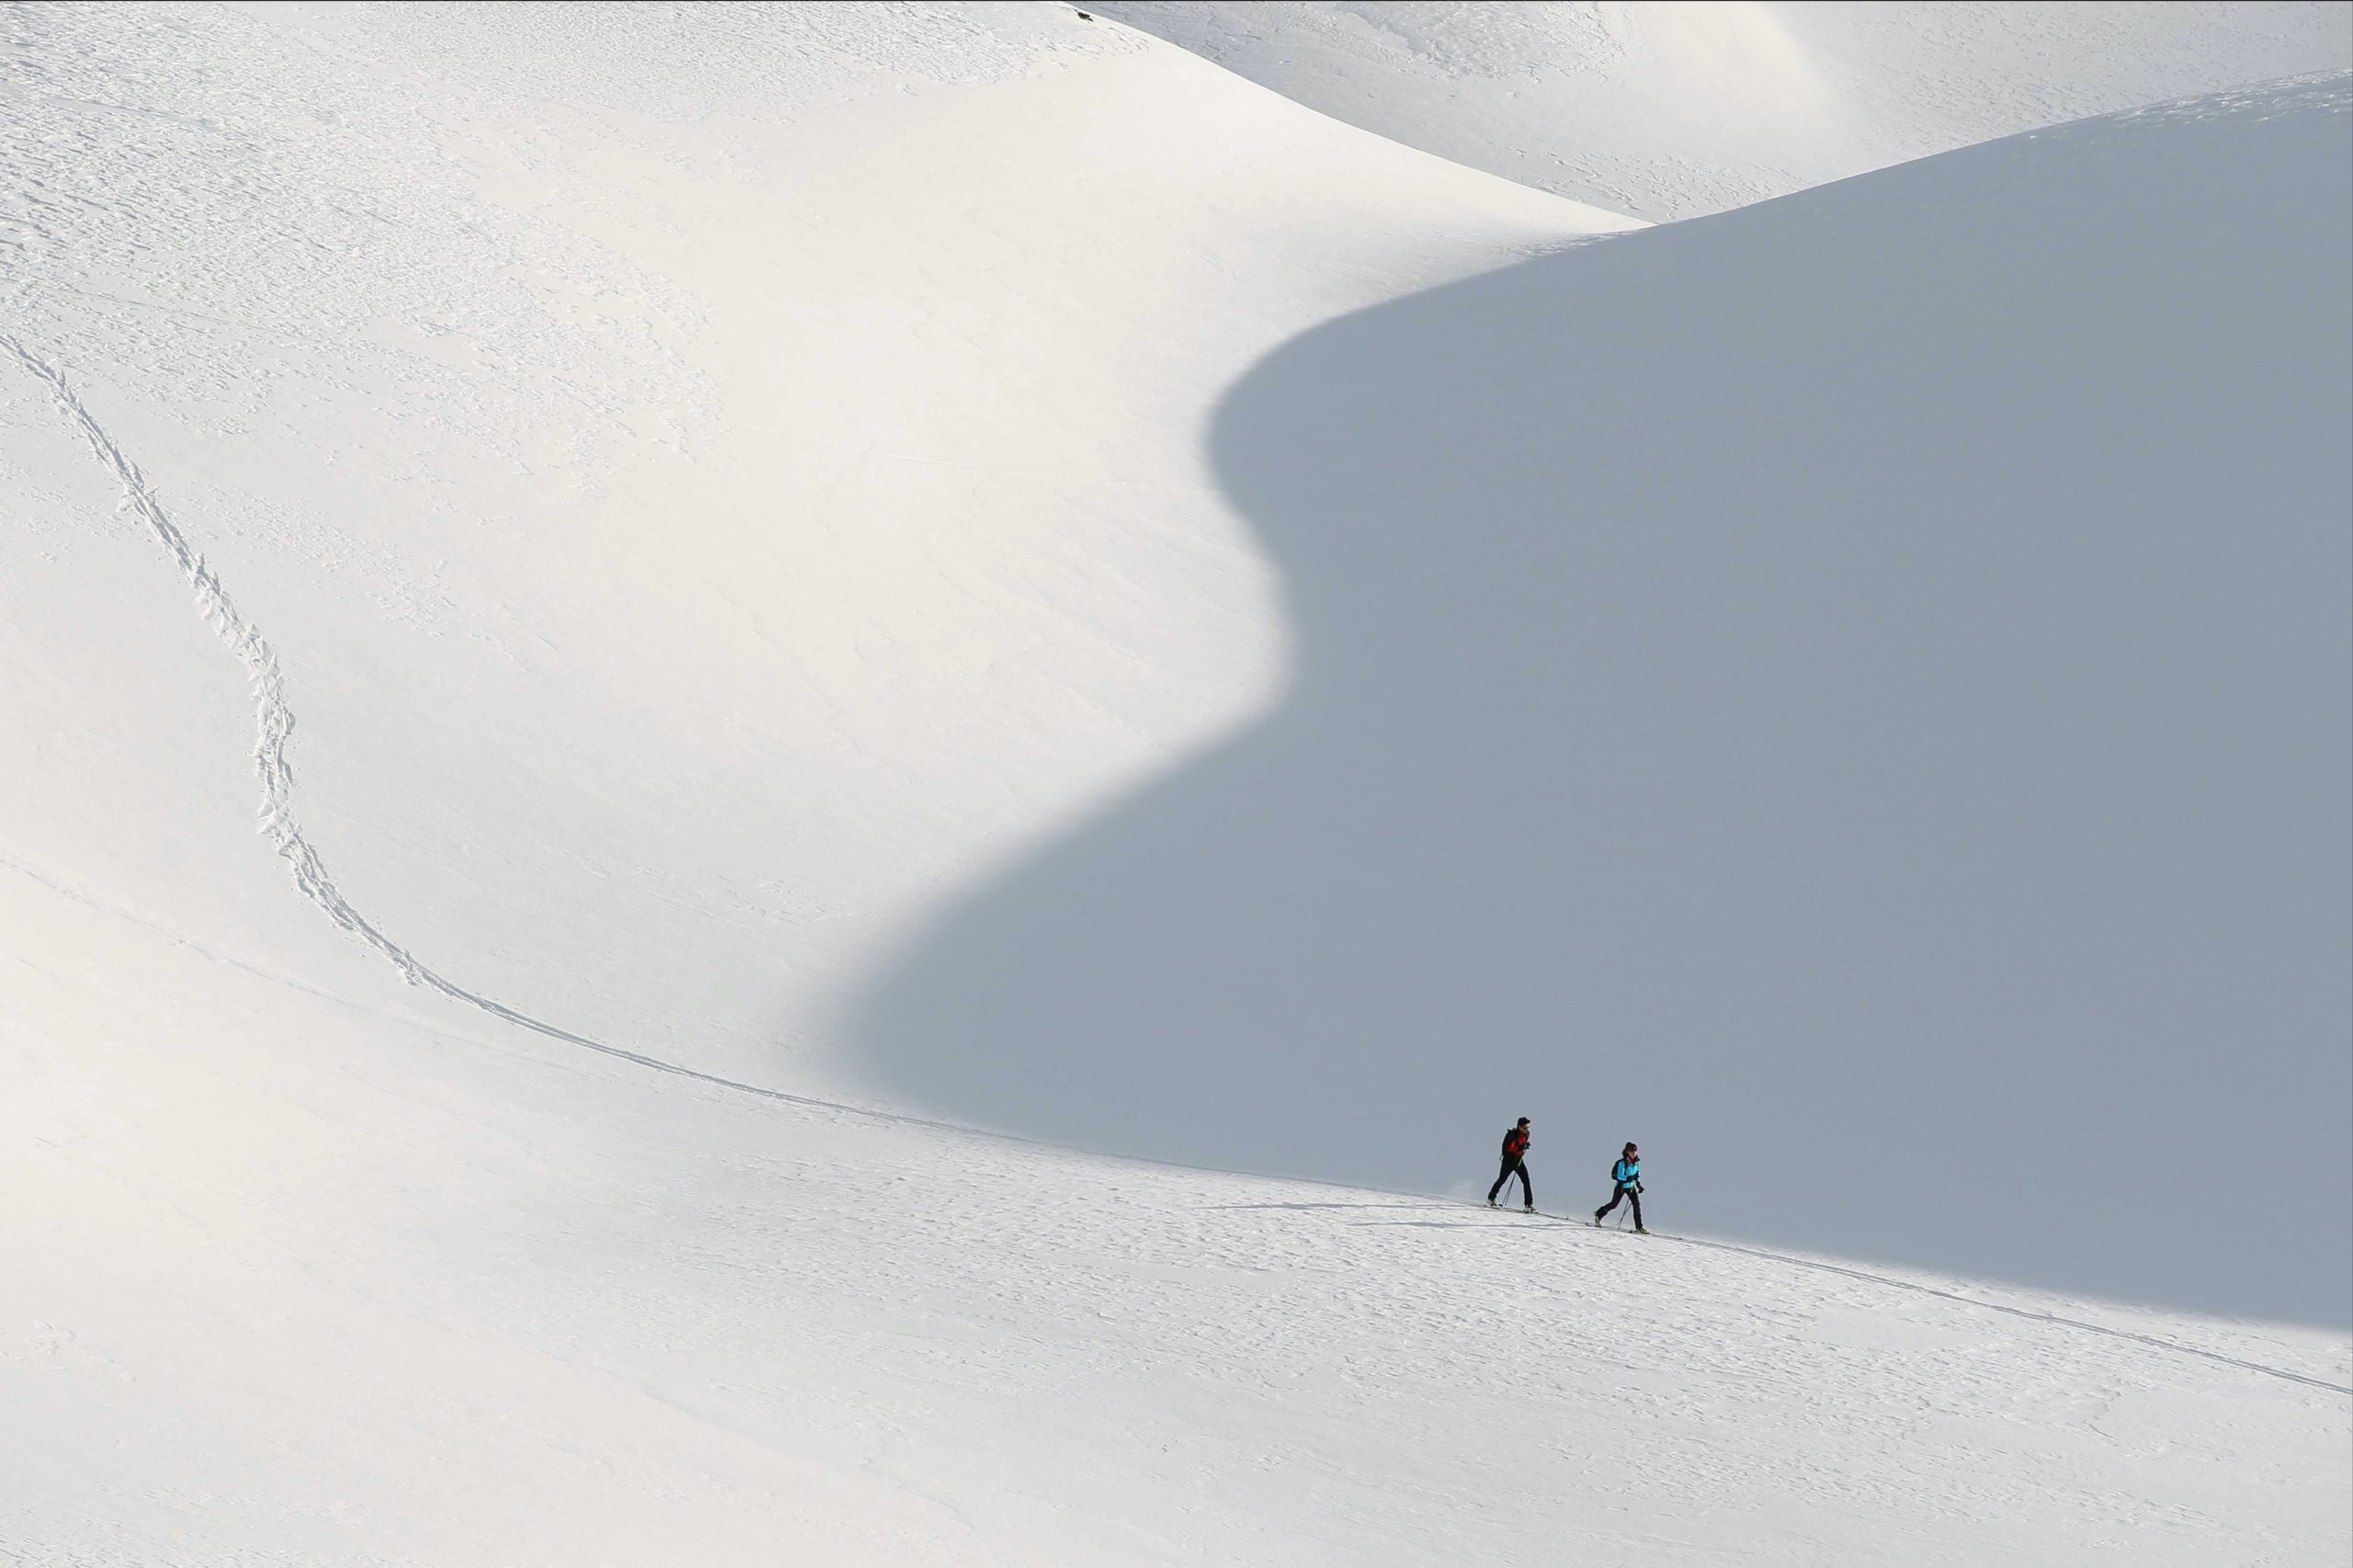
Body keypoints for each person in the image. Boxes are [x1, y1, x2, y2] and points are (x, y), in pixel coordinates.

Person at [1593, 1142, 1644, 1233]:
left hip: (1631, 1187)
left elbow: (1637, 1173)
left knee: (1637, 1205)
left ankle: (1639, 1227)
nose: (1634, 1153)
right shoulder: (1622, 1163)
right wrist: (1628, 1178)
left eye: (1635, 1151)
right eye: (1631, 1151)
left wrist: (1638, 1184)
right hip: (1621, 1186)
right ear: (1627, 1152)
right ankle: (1598, 1214)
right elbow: (1620, 1175)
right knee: (1614, 1204)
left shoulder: (1636, 1162)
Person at [1487, 1118, 1534, 1210]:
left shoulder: (1527, 1134)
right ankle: (1491, 1198)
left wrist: (1524, 1147)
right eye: (1525, 1128)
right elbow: (1509, 1149)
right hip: (1509, 1160)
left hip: (1518, 1160)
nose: (1526, 1130)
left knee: (1526, 1180)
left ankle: (1528, 1204)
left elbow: (1520, 1146)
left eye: (1528, 1128)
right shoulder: (1512, 1135)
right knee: (1502, 1179)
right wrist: (1521, 1147)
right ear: (1519, 1126)